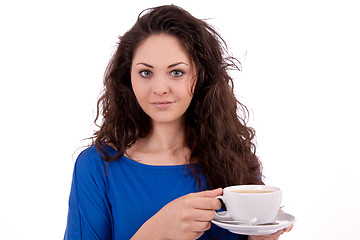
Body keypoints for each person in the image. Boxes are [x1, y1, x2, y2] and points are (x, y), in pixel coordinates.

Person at [64, 4, 292, 240]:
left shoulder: (236, 158)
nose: (160, 89)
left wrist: (262, 238)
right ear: (127, 77)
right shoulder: (96, 167)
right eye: (145, 73)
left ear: (201, 76)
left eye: (176, 72)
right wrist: (156, 232)